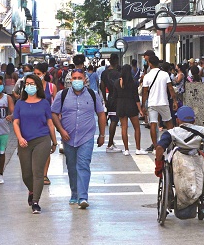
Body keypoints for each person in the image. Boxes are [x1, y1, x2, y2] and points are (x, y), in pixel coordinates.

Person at [51, 68, 106, 208]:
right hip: (68, 137)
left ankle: (83, 197)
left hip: (86, 136)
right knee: (71, 166)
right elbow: (54, 114)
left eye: (79, 78)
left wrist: (102, 134)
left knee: (83, 165)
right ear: (70, 80)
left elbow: (101, 114)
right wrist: (61, 130)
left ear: (85, 80)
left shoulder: (93, 95)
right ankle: (74, 194)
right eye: (74, 78)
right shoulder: (62, 95)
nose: (77, 81)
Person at [13, 74, 56, 214]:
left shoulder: (44, 103)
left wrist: (54, 141)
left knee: (38, 172)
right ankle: (32, 190)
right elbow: (16, 122)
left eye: (32, 84)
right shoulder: (20, 103)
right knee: (26, 174)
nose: (29, 86)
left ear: (38, 86)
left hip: (42, 140)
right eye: (27, 83)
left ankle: (36, 202)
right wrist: (19, 138)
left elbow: (50, 123)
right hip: (25, 141)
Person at [142, 55, 176, 152]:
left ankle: (156, 146)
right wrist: (174, 101)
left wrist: (143, 105)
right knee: (169, 122)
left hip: (152, 103)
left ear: (150, 64)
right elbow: (170, 88)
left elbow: (145, 92)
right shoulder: (164, 74)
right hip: (163, 102)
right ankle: (171, 144)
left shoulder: (147, 76)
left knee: (153, 124)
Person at [112, 64, 143, 155]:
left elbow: (114, 96)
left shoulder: (117, 82)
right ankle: (138, 149)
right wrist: (140, 110)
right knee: (136, 128)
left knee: (124, 128)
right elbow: (136, 98)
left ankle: (126, 150)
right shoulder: (133, 83)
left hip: (121, 106)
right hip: (131, 106)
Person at [100, 54, 122, 152]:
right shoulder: (119, 73)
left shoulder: (104, 73)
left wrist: (105, 99)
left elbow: (102, 86)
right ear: (117, 61)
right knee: (114, 120)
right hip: (118, 98)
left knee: (113, 119)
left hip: (110, 98)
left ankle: (111, 143)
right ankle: (109, 144)